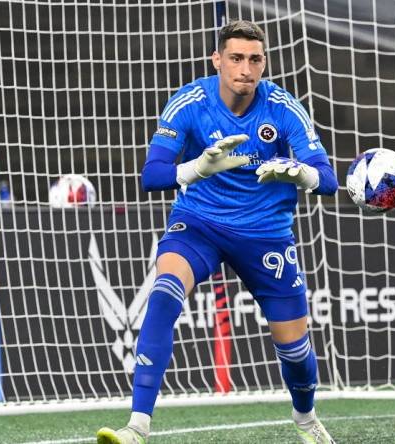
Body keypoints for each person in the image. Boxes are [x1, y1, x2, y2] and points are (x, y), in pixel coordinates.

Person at [96, 20, 338, 444]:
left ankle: (305, 418)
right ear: (218, 60)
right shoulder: (190, 102)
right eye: (236, 58)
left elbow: (329, 180)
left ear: (264, 63)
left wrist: (301, 174)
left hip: (266, 234)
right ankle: (137, 425)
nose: (246, 68)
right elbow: (151, 176)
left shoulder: (283, 107)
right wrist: (196, 168)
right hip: (200, 223)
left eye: (255, 59)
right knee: (165, 290)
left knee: (294, 348)